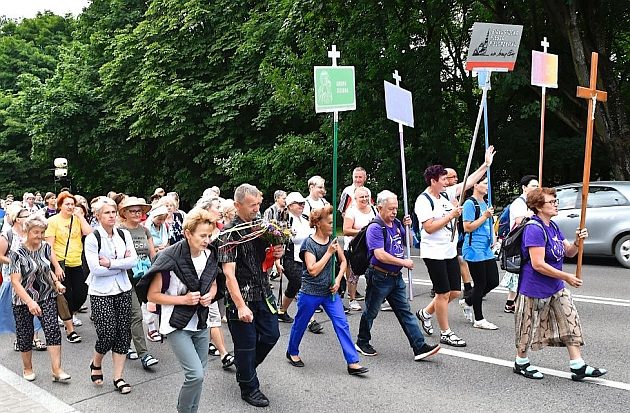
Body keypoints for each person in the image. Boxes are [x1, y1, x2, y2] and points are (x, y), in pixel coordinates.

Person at [513, 187, 607, 381]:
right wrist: (567, 277)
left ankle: (578, 365)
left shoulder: (553, 226)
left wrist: (578, 242)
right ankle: (520, 362)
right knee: (527, 327)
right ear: (538, 206)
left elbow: (569, 252)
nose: (556, 204)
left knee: (570, 319)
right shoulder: (534, 228)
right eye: (551, 202)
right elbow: (538, 264)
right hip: (533, 288)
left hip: (556, 287)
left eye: (556, 201)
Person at [144, 208, 220, 413]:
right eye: (202, 235)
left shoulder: (211, 255)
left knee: (200, 374)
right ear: (188, 233)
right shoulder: (169, 256)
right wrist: (183, 299)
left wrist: (210, 295)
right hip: (176, 322)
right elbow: (152, 295)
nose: (207, 240)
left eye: (209, 235)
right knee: (195, 374)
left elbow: (213, 283)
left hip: (201, 320)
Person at [355, 190, 440, 361]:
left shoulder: (396, 224)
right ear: (380, 208)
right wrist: (403, 263)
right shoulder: (375, 227)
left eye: (396, 208)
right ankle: (362, 341)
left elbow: (408, 241)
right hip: (379, 276)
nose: (394, 212)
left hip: (395, 276)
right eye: (391, 209)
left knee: (405, 312)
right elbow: (379, 254)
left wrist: (406, 227)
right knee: (371, 311)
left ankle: (419, 346)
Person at [218, 184, 283, 408]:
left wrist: (277, 252)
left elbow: (268, 256)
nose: (257, 209)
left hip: (263, 292)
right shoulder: (228, 234)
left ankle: (245, 367)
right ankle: (249, 387)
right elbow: (228, 274)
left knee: (271, 335)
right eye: (251, 205)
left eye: (258, 204)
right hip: (241, 297)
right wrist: (240, 306)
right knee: (245, 345)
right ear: (237, 206)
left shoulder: (261, 226)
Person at [287, 205, 368, 375]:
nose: (332, 225)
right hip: (310, 292)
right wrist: (328, 253)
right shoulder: (309, 244)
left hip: (330, 293)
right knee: (301, 324)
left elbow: (344, 262)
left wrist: (338, 280)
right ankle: (292, 351)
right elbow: (313, 270)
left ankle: (352, 362)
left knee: (342, 324)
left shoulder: (333, 239)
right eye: (329, 222)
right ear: (318, 223)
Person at [85, 198, 137, 394]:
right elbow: (96, 269)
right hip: (100, 292)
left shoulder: (123, 234)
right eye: (107, 213)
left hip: (123, 288)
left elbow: (132, 261)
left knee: (123, 334)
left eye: (113, 212)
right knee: (107, 332)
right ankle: (96, 362)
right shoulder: (93, 238)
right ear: (97, 216)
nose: (112, 216)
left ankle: (118, 377)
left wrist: (111, 264)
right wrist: (119, 265)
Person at [9, 215, 70, 382]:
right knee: (25, 333)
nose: (39, 236)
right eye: (36, 232)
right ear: (26, 231)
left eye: (42, 232)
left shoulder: (45, 247)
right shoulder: (16, 252)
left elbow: (46, 268)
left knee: (52, 330)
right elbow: (15, 281)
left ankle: (57, 369)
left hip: (46, 294)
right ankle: (27, 368)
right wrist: (30, 302)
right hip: (23, 299)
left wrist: (56, 282)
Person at [414, 165, 467, 347]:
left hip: (449, 251)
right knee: (442, 293)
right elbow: (428, 227)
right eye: (443, 180)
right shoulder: (423, 200)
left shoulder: (444, 195)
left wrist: (486, 165)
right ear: (433, 181)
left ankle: (426, 313)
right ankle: (446, 332)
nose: (447, 182)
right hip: (434, 253)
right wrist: (451, 215)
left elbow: (468, 183)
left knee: (455, 292)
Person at [117, 197, 160, 370]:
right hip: (126, 277)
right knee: (136, 315)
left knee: (131, 315)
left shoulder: (144, 230)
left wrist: (156, 272)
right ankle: (144, 354)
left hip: (144, 277)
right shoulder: (119, 231)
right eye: (132, 211)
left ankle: (124, 345)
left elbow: (152, 253)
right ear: (124, 213)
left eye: (139, 211)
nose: (136, 214)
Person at [46, 191, 93, 343]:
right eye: (67, 204)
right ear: (60, 206)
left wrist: (80, 216)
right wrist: (56, 267)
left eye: (73, 204)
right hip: (61, 262)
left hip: (77, 261)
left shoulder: (77, 219)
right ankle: (70, 329)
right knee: (65, 296)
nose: (71, 207)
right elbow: (49, 247)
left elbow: (89, 233)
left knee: (80, 294)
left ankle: (68, 316)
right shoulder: (53, 221)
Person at [0, 205, 46, 351]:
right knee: (17, 311)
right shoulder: (7, 235)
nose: (29, 217)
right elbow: (1, 256)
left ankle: (36, 337)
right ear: (17, 219)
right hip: (13, 278)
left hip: (33, 278)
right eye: (26, 215)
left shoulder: (31, 234)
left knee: (35, 306)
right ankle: (20, 338)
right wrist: (17, 262)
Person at [276, 192, 323, 333]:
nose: (302, 206)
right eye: (298, 203)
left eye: (303, 203)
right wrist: (277, 262)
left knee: (294, 285)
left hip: (306, 258)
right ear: (290, 206)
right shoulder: (284, 221)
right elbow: (277, 242)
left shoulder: (305, 218)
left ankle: (282, 311)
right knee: (303, 286)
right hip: (289, 259)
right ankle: (311, 320)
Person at [459, 178, 500, 330]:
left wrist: (493, 237)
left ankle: (469, 301)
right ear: (475, 185)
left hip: (486, 247)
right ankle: (479, 319)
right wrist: (484, 216)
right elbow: (467, 227)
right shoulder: (470, 203)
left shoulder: (486, 202)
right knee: (481, 283)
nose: (488, 186)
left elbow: (489, 224)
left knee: (493, 281)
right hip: (473, 248)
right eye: (485, 183)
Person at [501, 175, 539, 313]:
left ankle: (514, 302)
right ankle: (510, 303)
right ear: (524, 187)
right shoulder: (519, 203)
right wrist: (530, 215)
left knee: (522, 272)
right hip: (518, 242)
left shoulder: (531, 202)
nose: (537, 188)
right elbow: (519, 221)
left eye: (537, 186)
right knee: (516, 273)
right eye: (534, 186)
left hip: (527, 241)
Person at [342, 186, 376, 311]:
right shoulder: (351, 211)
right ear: (355, 199)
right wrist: (364, 232)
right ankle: (352, 299)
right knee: (353, 274)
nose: (364, 199)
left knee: (372, 273)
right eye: (361, 197)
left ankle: (373, 297)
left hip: (371, 247)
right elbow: (346, 230)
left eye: (366, 196)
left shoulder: (373, 209)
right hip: (355, 248)